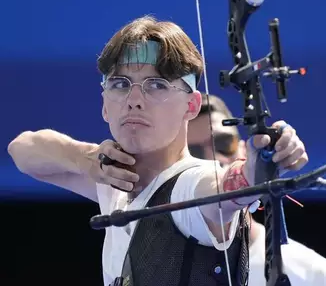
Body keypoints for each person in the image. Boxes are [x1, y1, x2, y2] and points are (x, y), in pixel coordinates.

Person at [7, 15, 309, 286]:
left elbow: (234, 184)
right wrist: (85, 161)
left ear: (191, 106)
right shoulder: (114, 182)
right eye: (120, 84)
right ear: (104, 106)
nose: (134, 99)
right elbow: (22, 150)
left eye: (156, 85)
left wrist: (267, 156)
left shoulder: (192, 187)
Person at [187, 93, 326, 286]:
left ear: (244, 151)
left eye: (223, 143)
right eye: (194, 153)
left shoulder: (314, 274)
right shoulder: (150, 267)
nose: (215, 159)